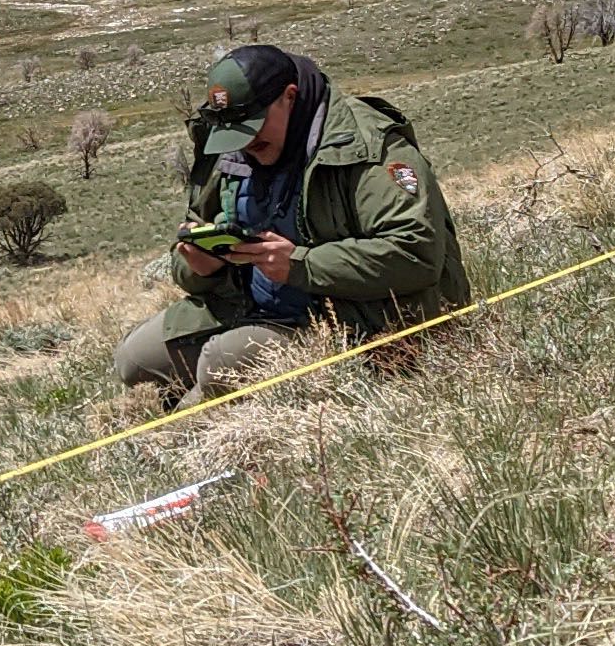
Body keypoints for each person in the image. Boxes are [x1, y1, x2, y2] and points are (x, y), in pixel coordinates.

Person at [111, 40, 469, 406]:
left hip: (348, 316)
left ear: (289, 96)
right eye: (236, 133)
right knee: (134, 361)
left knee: (217, 367)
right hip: (248, 305)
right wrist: (202, 268)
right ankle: (203, 400)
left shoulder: (368, 146)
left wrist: (300, 264)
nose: (247, 143)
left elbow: (418, 253)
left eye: (253, 127)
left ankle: (196, 419)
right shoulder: (231, 143)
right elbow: (191, 236)